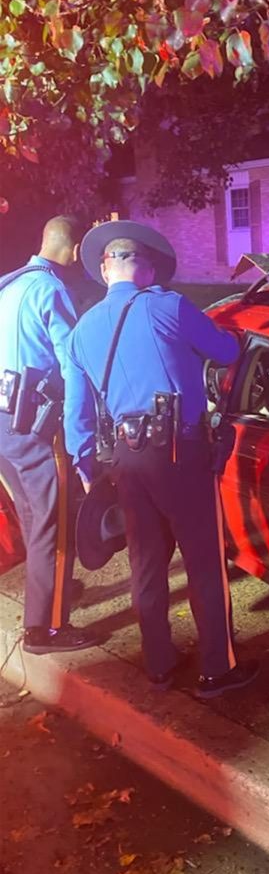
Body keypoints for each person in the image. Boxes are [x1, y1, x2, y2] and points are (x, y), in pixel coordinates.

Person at [63, 220, 257, 699]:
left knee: (146, 564)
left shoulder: (81, 331)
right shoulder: (168, 306)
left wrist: (88, 470)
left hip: (125, 460)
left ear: (106, 270)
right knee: (204, 562)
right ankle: (216, 669)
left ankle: (159, 663)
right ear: (145, 268)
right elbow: (227, 350)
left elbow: (76, 413)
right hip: (179, 451)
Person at [0, 215, 101, 654]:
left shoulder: (10, 284)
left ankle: (49, 591)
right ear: (76, 250)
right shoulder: (50, 290)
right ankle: (47, 629)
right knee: (53, 523)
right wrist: (83, 436)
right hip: (31, 429)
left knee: (30, 515)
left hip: (3, 425)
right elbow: (72, 368)